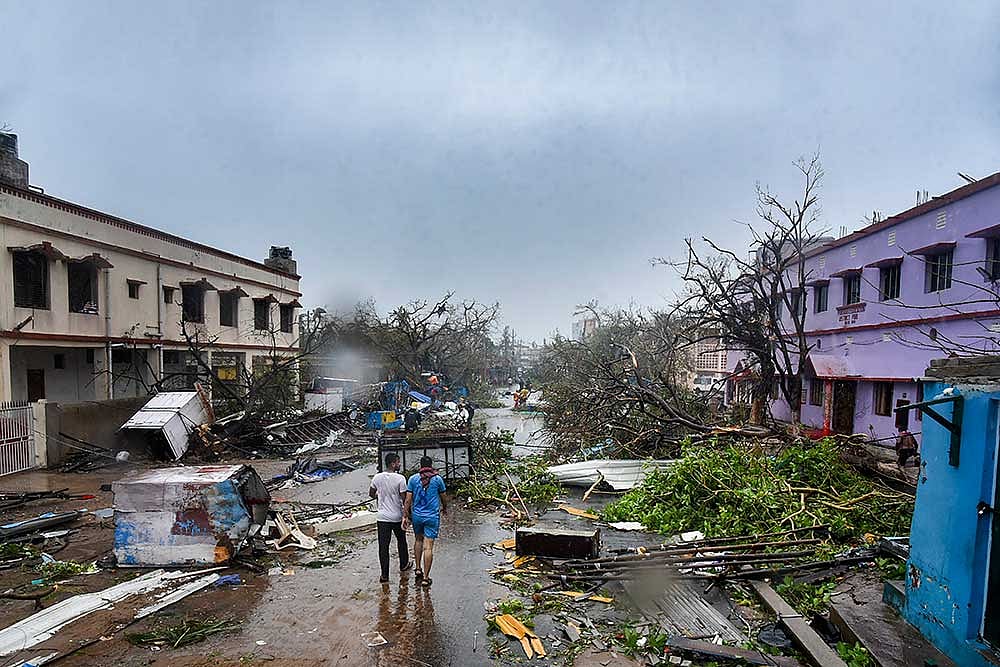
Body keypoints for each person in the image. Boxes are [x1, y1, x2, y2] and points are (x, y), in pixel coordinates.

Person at [403, 455, 447, 587]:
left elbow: (408, 500)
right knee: (428, 547)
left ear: (420, 466)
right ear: (431, 465)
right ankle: (426, 578)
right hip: (432, 517)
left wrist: (406, 514)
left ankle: (418, 568)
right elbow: (443, 496)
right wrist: (445, 508)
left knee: (418, 540)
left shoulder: (413, 479)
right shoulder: (437, 479)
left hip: (417, 516)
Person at [369, 453, 413, 583]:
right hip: (397, 516)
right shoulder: (400, 479)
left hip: (382, 517)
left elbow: (371, 493)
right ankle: (404, 565)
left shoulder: (377, 477)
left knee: (383, 547)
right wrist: (408, 515)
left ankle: (384, 575)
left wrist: (380, 497)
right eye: (398, 462)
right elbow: (404, 499)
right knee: (401, 541)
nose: (399, 464)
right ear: (393, 464)